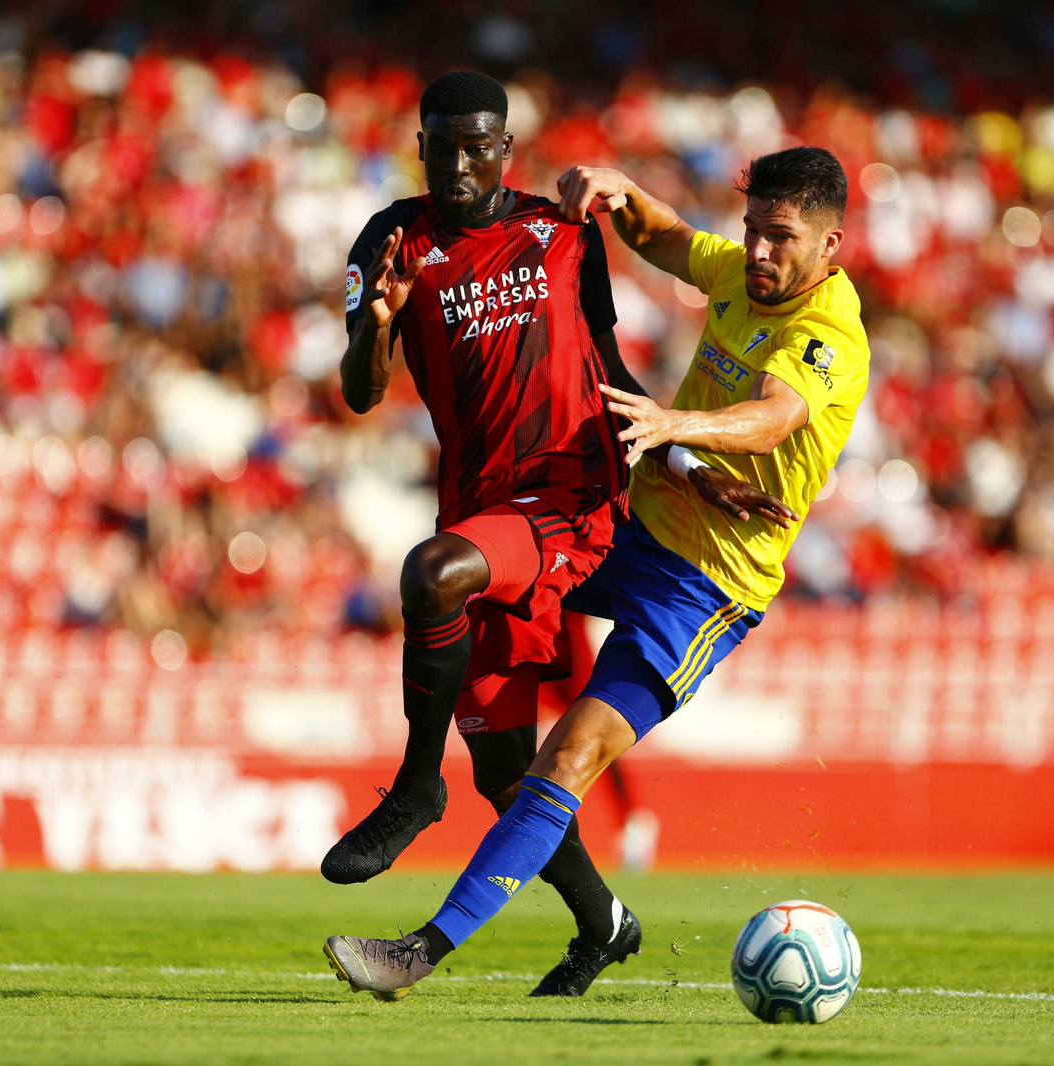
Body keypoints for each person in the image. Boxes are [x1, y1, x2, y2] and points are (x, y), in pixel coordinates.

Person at [324, 146, 869, 999]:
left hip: (704, 589)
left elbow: (773, 417)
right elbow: (667, 238)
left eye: (784, 239)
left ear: (830, 245)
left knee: (568, 757)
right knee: (472, 611)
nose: (760, 253)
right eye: (754, 231)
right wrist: (622, 192)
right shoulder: (740, 272)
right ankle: (576, 904)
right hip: (623, 530)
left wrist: (673, 423)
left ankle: (418, 952)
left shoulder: (828, 332)